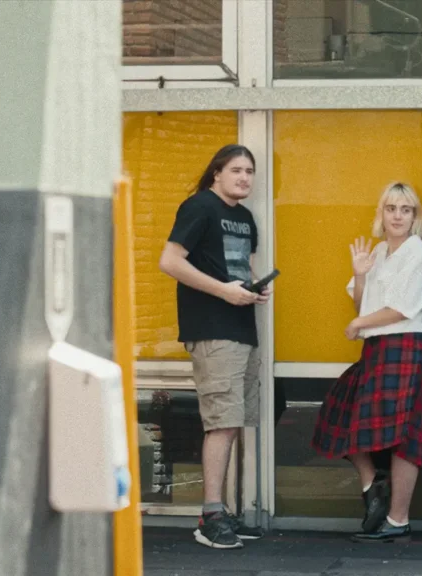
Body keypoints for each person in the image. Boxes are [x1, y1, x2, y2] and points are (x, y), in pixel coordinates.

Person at [158, 144, 271, 550]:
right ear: (216, 173)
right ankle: (210, 516)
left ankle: (222, 511)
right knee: (221, 422)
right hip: (211, 328)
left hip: (241, 327)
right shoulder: (199, 207)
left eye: (249, 171)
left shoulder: (244, 217)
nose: (244, 177)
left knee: (232, 421)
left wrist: (256, 287)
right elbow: (170, 261)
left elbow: (240, 267)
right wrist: (224, 291)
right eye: (236, 170)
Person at [310, 181, 422, 544]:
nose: (398, 216)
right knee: (340, 417)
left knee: (404, 436)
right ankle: (373, 484)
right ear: (382, 213)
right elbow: (362, 304)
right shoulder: (379, 251)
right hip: (377, 349)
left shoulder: (417, 252)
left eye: (405, 210)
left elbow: (401, 309)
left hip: (405, 346)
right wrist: (361, 273)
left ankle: (398, 521)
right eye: (391, 208)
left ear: (415, 217)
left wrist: (358, 324)